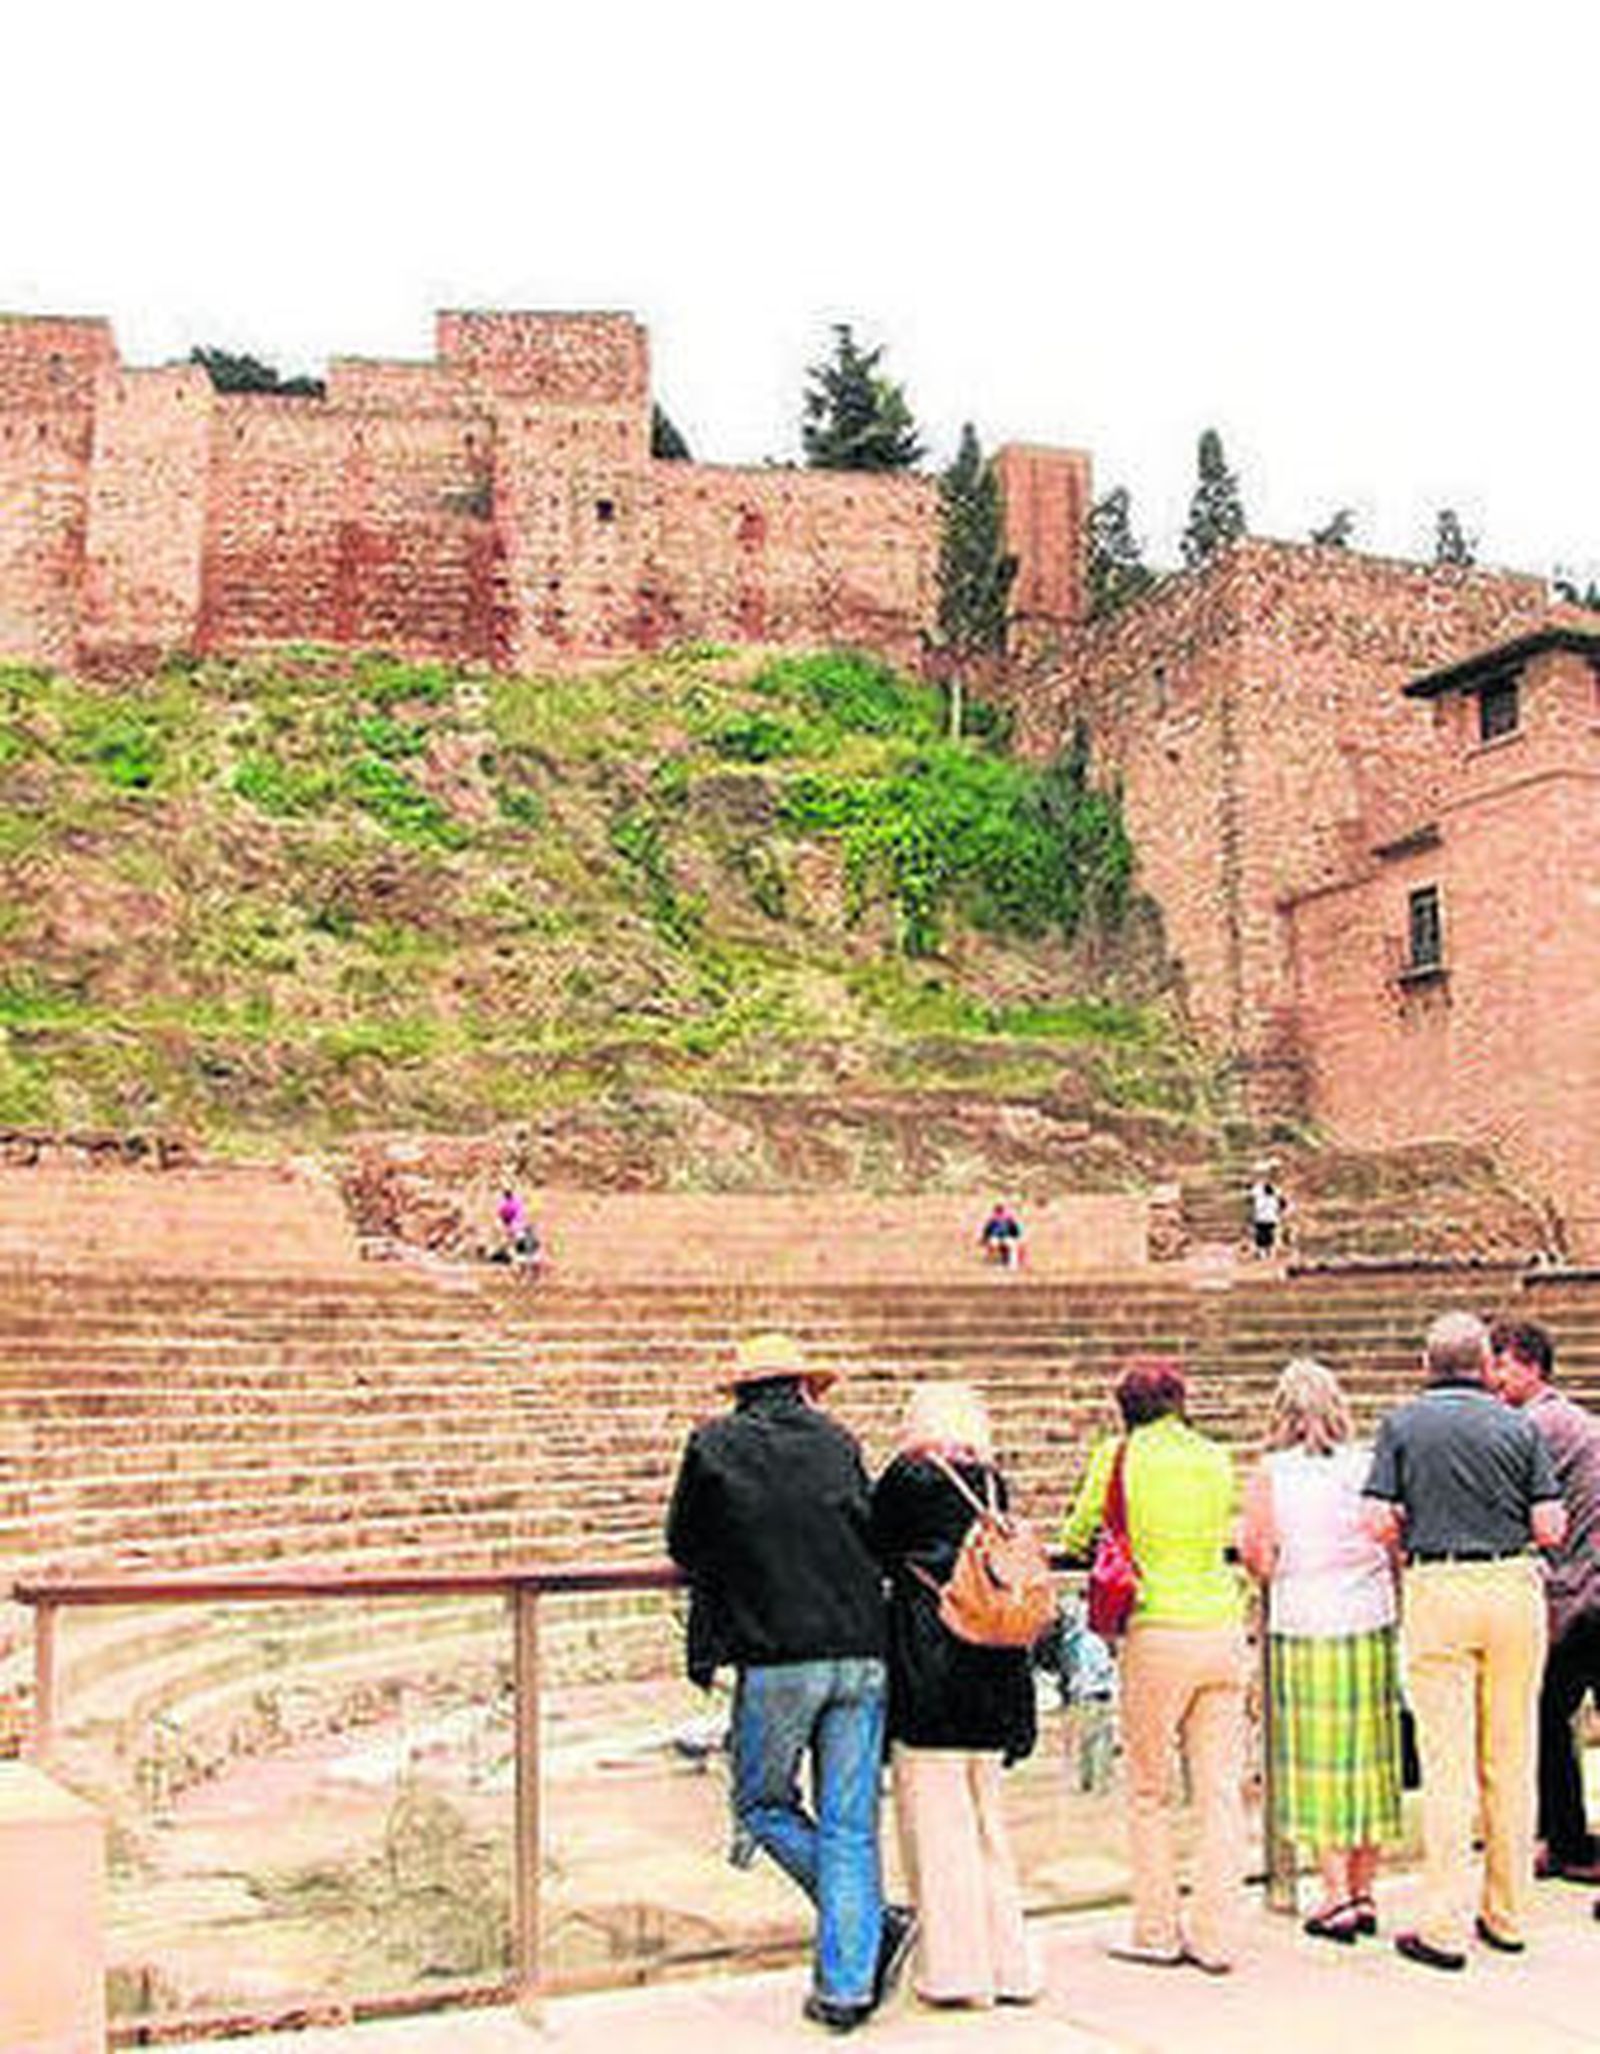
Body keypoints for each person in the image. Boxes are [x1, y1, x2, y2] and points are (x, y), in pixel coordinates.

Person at [665, 1330, 914, 2034]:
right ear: (804, 1387)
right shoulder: (836, 1441)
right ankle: (846, 1981)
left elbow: (684, 1544)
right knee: (850, 1822)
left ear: (741, 1390)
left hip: (778, 1653)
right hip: (863, 1649)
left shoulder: (713, 1445)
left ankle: (863, 1933)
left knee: (762, 1803)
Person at [1363, 1311, 1567, 1971]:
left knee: (1446, 1763)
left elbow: (1374, 1520)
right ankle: (1506, 1914)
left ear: (1427, 1364)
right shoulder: (1520, 1425)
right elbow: (1551, 1525)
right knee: (1510, 1758)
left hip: (1440, 1585)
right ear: (1484, 1365)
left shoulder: (1401, 1425)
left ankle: (1443, 1925)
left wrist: (1412, 1534)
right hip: (1512, 1589)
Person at [1060, 1357, 1247, 1974]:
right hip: (1221, 1623)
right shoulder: (1214, 1458)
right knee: (1220, 1790)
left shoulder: (1117, 1457)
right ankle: (1218, 1933)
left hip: (1157, 1627)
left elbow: (1082, 1530)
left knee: (1149, 1787)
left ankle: (1157, 1927)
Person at [870, 1382, 1040, 2009]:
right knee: (989, 1823)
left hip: (930, 1666)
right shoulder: (992, 1484)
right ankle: (1012, 1965)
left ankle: (956, 1970)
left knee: (937, 1825)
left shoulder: (908, 1481)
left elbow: (873, 1545)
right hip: (993, 1669)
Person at [1240, 1359, 1402, 1942]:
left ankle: (1333, 1892)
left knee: (1317, 1761)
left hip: (1305, 1620)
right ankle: (1364, 1889)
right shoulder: (1367, 1466)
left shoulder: (1271, 1473)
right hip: (1370, 1618)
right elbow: (1391, 1543)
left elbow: (1258, 1554)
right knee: (1369, 1757)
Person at [1488, 1318, 1600, 1885]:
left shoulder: (1540, 1425)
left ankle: (1569, 1843)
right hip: (1588, 1587)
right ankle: (1567, 1840)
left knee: (1546, 1715)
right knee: (1550, 1715)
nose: (1492, 1377)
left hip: (1584, 1595)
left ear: (1530, 1365)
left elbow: (1514, 1506)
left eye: (1501, 1364)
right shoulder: (1566, 1419)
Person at [495, 1187, 542, 1274]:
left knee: (518, 1244)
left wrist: (513, 1227)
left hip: (516, 1226)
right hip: (510, 1225)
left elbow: (519, 1215)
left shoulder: (516, 1202)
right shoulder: (502, 1202)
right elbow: (500, 1215)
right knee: (509, 1244)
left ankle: (520, 1265)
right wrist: (504, 1226)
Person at [1247, 1174, 1285, 1259]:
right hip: (1271, 1218)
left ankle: (1263, 1252)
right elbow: (1283, 1203)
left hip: (1260, 1218)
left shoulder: (1258, 1193)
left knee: (1260, 1235)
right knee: (1269, 1234)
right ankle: (1269, 1252)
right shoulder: (1275, 1194)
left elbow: (1249, 1193)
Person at [979, 1202, 1023, 1269]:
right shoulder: (992, 1219)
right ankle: (996, 1262)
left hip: (1007, 1237)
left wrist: (1017, 1238)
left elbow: (1015, 1230)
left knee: (1012, 1246)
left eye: (1000, 1208)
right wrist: (984, 1239)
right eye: (997, 1208)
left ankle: (1013, 1264)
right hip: (996, 1238)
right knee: (993, 1244)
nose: (999, 1210)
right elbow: (987, 1231)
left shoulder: (1009, 1218)